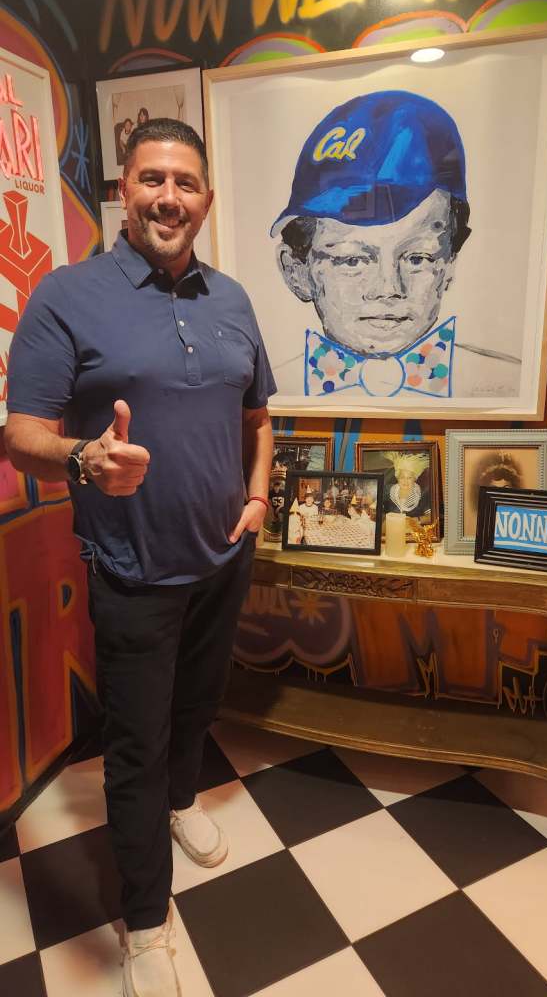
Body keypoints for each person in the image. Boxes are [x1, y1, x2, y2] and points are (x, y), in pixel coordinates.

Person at [4, 117, 276, 997]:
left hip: (221, 557)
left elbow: (257, 416)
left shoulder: (231, 299)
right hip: (132, 571)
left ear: (205, 199)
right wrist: (83, 458)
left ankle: (183, 802)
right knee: (136, 744)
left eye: (185, 182)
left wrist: (257, 500)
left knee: (196, 709)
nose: (169, 196)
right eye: (152, 179)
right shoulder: (67, 296)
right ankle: (147, 925)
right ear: (124, 191)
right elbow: (19, 432)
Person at [271, 90, 521, 401]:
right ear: (296, 272)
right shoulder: (272, 392)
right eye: (352, 260)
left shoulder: (507, 385)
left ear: (450, 263)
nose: (388, 289)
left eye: (417, 258)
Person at [387, 452, 431, 518]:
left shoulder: (422, 494)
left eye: (409, 478)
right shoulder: (388, 490)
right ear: (397, 478)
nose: (405, 481)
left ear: (415, 478)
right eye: (402, 477)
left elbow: (430, 516)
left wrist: (416, 520)